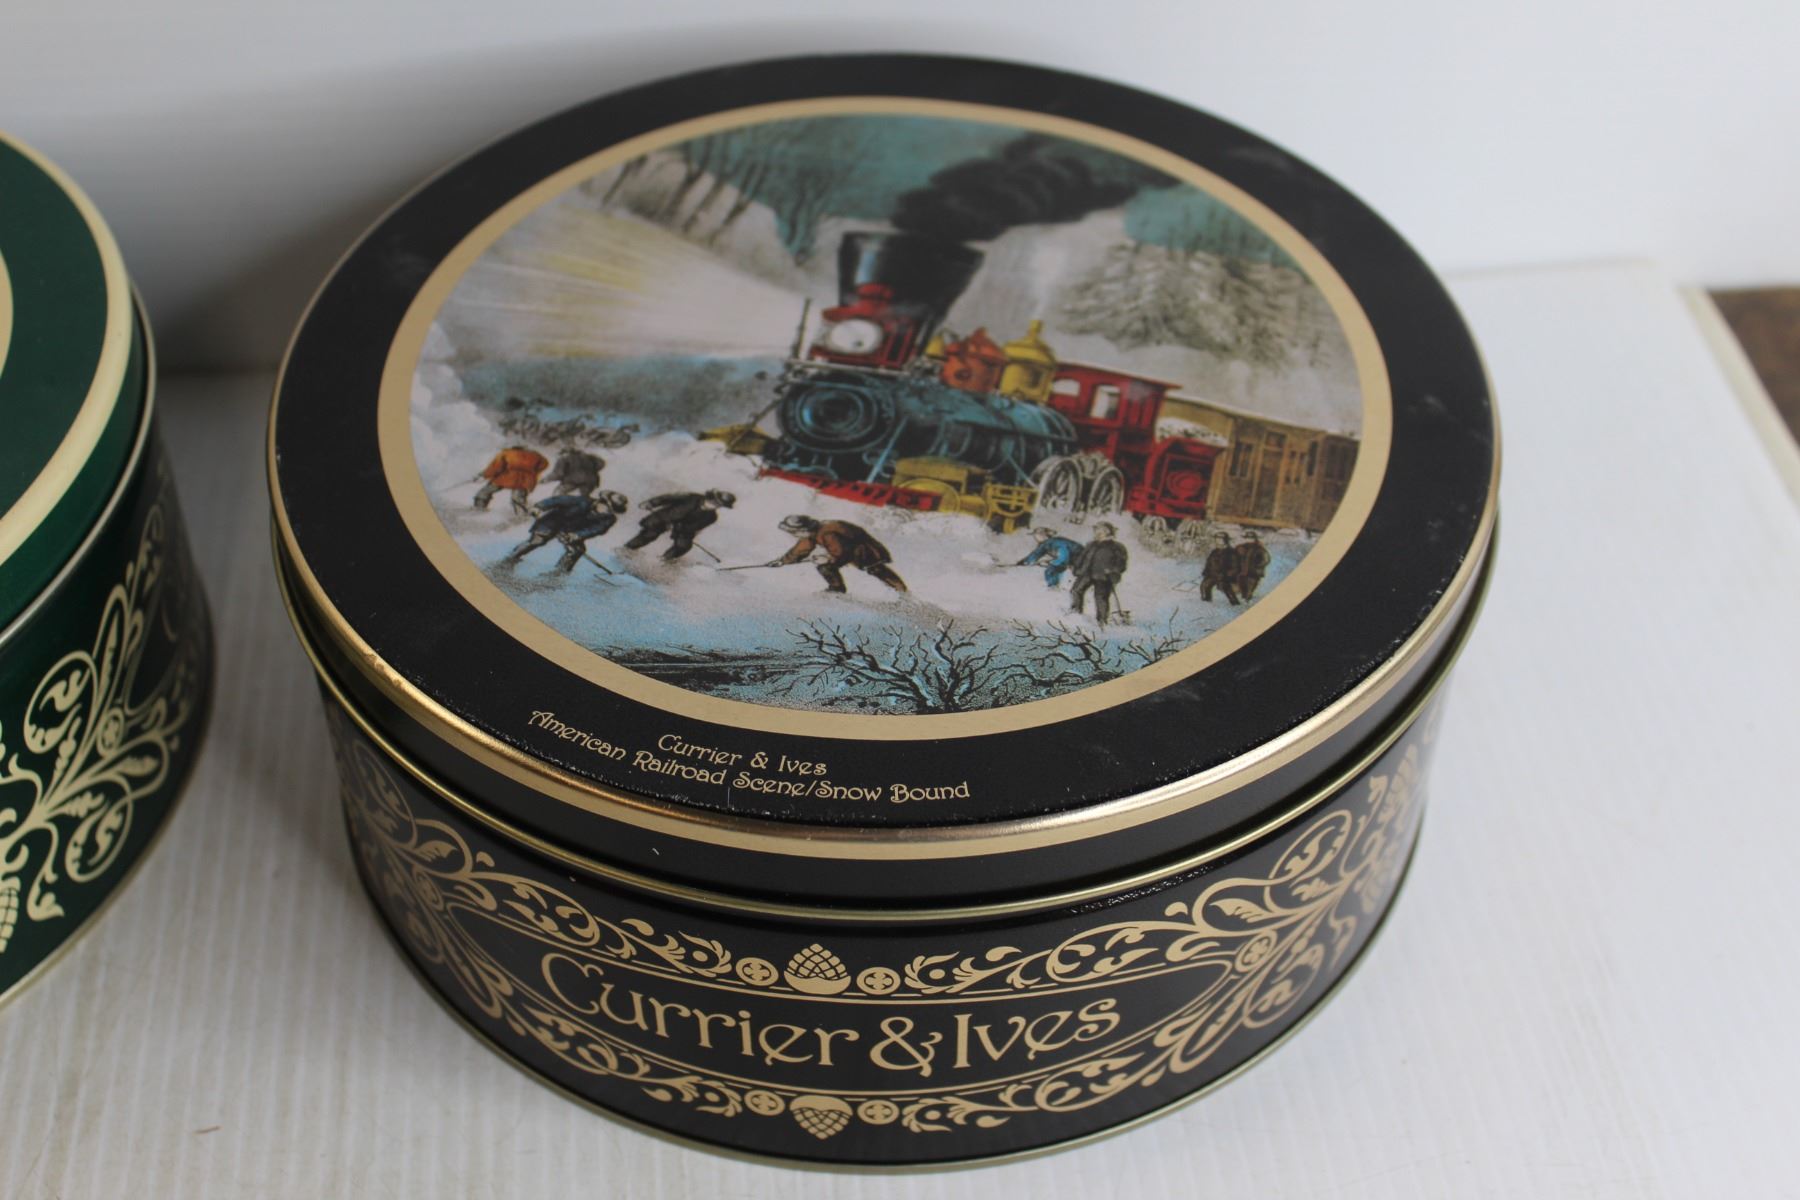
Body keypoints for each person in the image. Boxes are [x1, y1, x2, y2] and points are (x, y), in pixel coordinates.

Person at [498, 491, 628, 574]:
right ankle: (511, 558)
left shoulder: (609, 519)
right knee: (537, 540)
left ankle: (559, 572)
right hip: (553, 522)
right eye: (607, 507)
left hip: (572, 531)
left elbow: (595, 530)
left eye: (612, 510)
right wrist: (539, 507)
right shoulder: (582, 501)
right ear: (600, 502)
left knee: (577, 550)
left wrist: (576, 536)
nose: (608, 512)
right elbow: (558, 500)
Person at [770, 514, 906, 594]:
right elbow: (801, 549)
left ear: (803, 530)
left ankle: (903, 595)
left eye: (793, 532)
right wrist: (782, 561)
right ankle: (836, 589)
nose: (793, 535)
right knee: (825, 566)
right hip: (852, 552)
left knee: (877, 570)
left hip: (865, 551)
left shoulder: (827, 533)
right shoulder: (813, 533)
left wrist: (828, 558)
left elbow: (841, 552)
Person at [622, 489, 735, 560]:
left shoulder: (711, 517)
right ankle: (628, 548)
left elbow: (694, 527)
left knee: (684, 545)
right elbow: (668, 498)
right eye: (715, 502)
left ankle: (664, 559)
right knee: (650, 533)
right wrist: (651, 503)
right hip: (664, 517)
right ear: (711, 497)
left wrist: (678, 527)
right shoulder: (692, 497)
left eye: (719, 505)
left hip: (682, 528)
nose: (715, 505)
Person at [1070, 521, 1128, 625]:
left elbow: (1121, 564)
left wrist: (1113, 570)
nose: (1096, 533)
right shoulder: (1091, 544)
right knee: (1076, 590)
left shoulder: (1117, 547)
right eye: (1096, 530)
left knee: (1101, 597)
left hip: (1104, 576)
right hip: (1087, 572)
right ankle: (1075, 612)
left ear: (1107, 532)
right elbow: (1082, 557)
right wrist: (1076, 567)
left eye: (1099, 531)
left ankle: (1102, 620)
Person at [473, 445, 549, 515]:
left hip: (506, 478)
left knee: (484, 492)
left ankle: (479, 510)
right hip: (525, 480)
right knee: (518, 499)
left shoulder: (506, 453)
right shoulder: (535, 455)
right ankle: (522, 516)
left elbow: (494, 468)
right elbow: (545, 464)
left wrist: (482, 475)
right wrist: (532, 472)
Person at [1016, 526, 1081, 588]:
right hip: (1070, 560)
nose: (1035, 537)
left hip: (1079, 558)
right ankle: (1054, 586)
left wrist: (1053, 563)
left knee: (1051, 571)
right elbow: (1036, 554)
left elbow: (1063, 555)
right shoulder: (1046, 544)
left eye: (1036, 535)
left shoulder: (1055, 542)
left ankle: (1053, 587)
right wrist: (1024, 562)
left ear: (1043, 535)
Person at [1199, 532, 1241, 605]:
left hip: (1225, 577)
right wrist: (1206, 572)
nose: (1217, 540)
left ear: (1225, 540)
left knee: (1226, 587)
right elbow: (1209, 563)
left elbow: (1235, 568)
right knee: (1204, 585)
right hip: (1213, 575)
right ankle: (1206, 603)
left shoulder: (1231, 552)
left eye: (1220, 539)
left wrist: (1225, 575)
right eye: (1216, 538)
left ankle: (1235, 603)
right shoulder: (1214, 552)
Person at [1234, 529, 1271, 600]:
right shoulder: (1242, 547)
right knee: (1242, 586)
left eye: (1251, 538)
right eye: (1247, 538)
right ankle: (1245, 598)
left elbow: (1266, 559)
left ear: (1254, 539)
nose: (1249, 539)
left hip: (1253, 573)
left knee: (1250, 588)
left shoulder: (1259, 549)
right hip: (1242, 572)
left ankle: (1247, 599)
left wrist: (1257, 566)